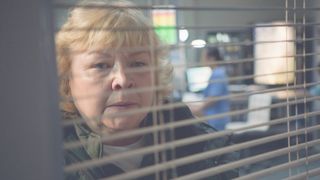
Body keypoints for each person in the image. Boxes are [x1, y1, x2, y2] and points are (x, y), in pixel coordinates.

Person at [56, 0, 238, 179]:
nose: (123, 80)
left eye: (138, 64)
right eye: (101, 65)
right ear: (66, 79)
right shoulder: (43, 159)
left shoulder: (207, 149)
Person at [190, 47, 231, 130]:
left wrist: (198, 108)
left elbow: (213, 98)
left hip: (217, 120)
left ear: (212, 58)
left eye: (204, 57)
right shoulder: (217, 73)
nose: (202, 60)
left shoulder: (218, 74)